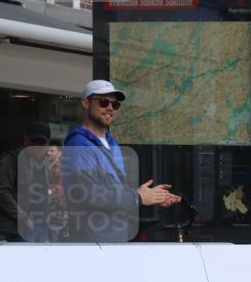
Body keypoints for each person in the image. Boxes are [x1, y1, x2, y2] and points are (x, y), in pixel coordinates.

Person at [63, 80, 179, 242]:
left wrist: (150, 195)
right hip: (93, 240)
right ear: (86, 103)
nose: (110, 108)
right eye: (103, 102)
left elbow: (112, 190)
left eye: (115, 105)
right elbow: (88, 194)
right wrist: (137, 197)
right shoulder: (79, 144)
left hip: (114, 236)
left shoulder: (111, 143)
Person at [0, 124, 53, 242]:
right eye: (33, 141)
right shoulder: (12, 160)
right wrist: (23, 218)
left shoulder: (44, 164)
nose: (36, 146)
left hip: (37, 229)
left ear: (47, 145)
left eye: (41, 143)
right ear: (25, 140)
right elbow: (0, 192)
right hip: (11, 231)